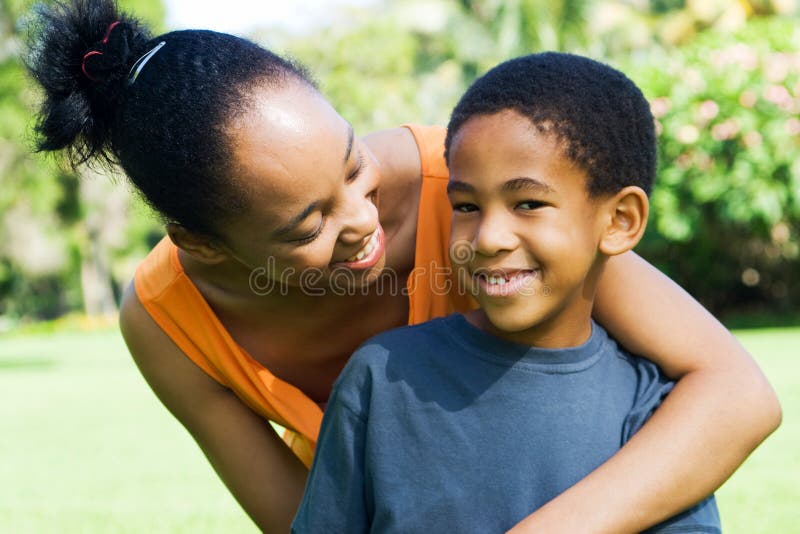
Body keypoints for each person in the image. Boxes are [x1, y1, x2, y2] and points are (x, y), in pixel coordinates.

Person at [25, 1, 780, 532]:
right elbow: (304, 522)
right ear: (203, 243)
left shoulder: (469, 194)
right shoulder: (166, 323)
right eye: (309, 223)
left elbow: (736, 394)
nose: (361, 221)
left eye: (352, 165)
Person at [292, 52, 724, 533]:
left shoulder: (650, 412)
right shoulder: (381, 378)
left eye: (528, 203)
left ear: (620, 221)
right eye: (467, 205)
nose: (489, 237)